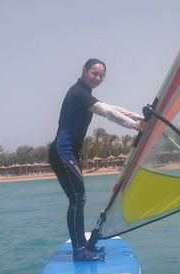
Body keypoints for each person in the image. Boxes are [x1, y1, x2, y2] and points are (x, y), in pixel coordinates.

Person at [49, 58, 147, 262]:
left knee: (77, 199)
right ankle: (79, 250)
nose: (98, 78)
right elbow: (107, 112)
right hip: (62, 151)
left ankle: (81, 248)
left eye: (101, 75)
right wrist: (134, 126)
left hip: (68, 153)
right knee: (78, 198)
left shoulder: (85, 95)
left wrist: (139, 118)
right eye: (94, 73)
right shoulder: (77, 93)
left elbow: (112, 107)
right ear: (84, 71)